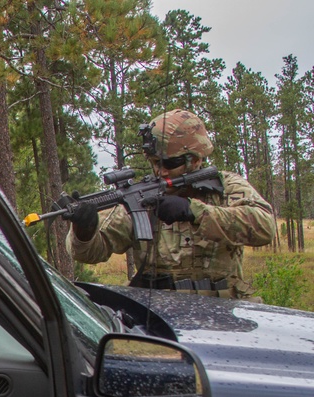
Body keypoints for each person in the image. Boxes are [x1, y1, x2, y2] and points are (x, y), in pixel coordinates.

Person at [65, 109, 276, 299]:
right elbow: (93, 252)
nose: (161, 171)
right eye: (155, 163)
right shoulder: (143, 198)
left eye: (169, 163)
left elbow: (264, 227)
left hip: (221, 310)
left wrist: (194, 212)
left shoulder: (225, 186)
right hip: (158, 312)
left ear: (194, 160)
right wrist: (85, 230)